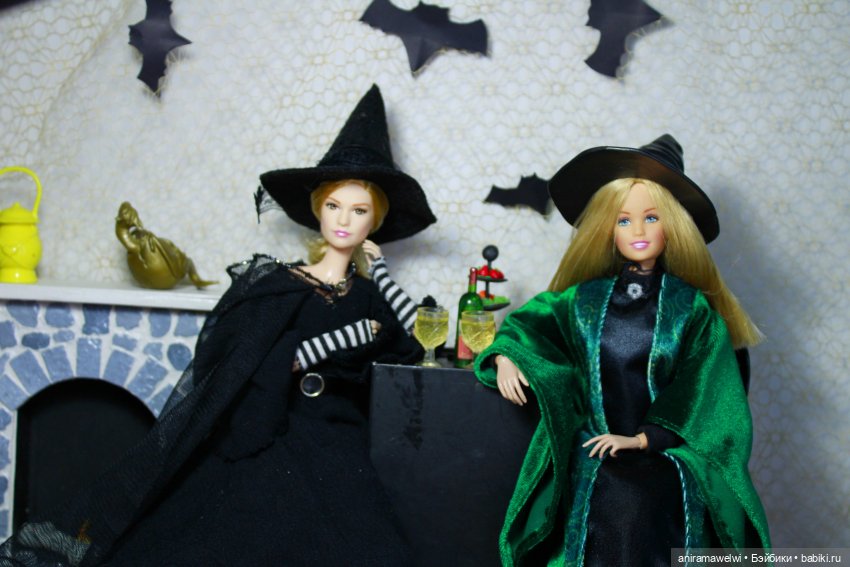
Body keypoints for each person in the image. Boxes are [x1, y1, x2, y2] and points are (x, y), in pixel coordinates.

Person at [0, 84, 436, 566]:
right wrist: (344, 339)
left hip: (337, 431)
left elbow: (416, 340)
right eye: (334, 205)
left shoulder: (369, 294)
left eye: (359, 211)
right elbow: (249, 361)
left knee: (358, 536)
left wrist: (381, 271)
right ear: (318, 209)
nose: (344, 220)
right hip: (273, 425)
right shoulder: (277, 284)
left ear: (374, 222)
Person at [474, 135, 771, 566]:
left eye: (651, 218)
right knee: (607, 489)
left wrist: (644, 438)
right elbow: (531, 324)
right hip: (594, 447)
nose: (638, 231)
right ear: (607, 228)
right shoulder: (584, 300)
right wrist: (507, 355)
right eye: (624, 220)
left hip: (665, 454)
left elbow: (704, 389)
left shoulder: (690, 309)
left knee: (639, 497)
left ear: (673, 226)